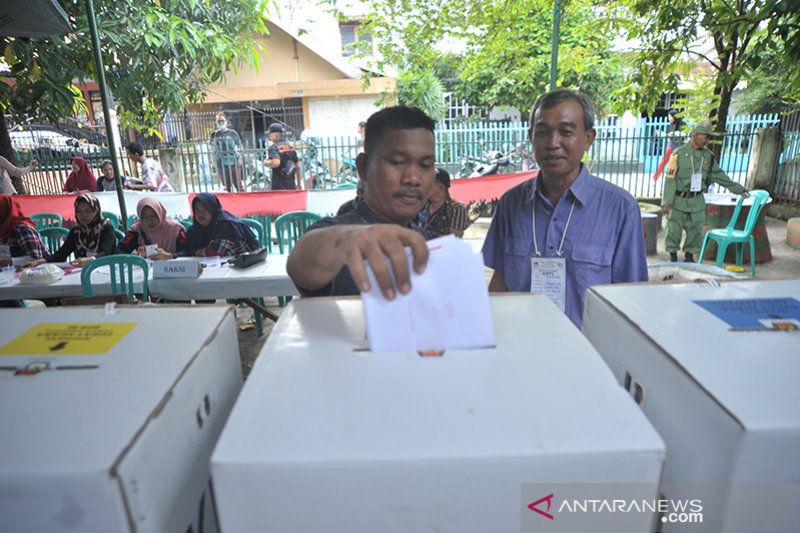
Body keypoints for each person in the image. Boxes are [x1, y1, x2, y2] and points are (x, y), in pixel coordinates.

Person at [482, 89, 648, 328]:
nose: (552, 143)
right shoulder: (510, 204)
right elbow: (500, 282)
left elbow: (631, 298)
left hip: (589, 354)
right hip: (523, 347)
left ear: (588, 138)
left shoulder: (620, 209)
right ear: (531, 136)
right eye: (542, 132)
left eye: (566, 132)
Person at [287, 105, 436, 299]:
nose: (413, 178)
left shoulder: (430, 246)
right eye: (398, 162)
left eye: (425, 165)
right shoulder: (337, 234)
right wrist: (347, 240)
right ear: (364, 167)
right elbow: (301, 265)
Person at [662, 123, 749, 263]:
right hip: (678, 200)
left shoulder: (708, 157)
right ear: (695, 136)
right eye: (705, 136)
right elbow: (670, 179)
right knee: (673, 229)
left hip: (697, 201)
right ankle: (672, 255)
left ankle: (689, 256)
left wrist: (739, 189)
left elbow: (719, 175)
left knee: (696, 231)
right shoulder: (678, 154)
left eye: (709, 137)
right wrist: (667, 201)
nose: (708, 140)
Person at [24, 193, 116, 268]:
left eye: (88, 211)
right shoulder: (76, 232)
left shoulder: (106, 229)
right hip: (82, 272)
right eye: (79, 211)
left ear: (96, 211)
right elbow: (61, 254)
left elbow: (105, 253)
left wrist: (90, 260)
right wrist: (42, 261)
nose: (83, 215)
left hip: (107, 270)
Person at [185, 192, 258, 257]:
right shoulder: (194, 230)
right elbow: (188, 251)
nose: (200, 214)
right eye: (197, 210)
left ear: (212, 209)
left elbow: (214, 252)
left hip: (244, 267)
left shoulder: (225, 224)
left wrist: (198, 253)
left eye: (205, 209)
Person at [116, 197, 187, 260]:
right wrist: (135, 257)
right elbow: (119, 251)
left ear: (159, 213)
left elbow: (187, 252)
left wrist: (169, 256)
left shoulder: (175, 229)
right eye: (145, 217)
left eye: (153, 216)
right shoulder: (137, 230)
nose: (150, 221)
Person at [418, 168, 470, 238]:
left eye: (428, 183)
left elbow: (454, 241)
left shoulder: (456, 209)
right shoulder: (421, 204)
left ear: (441, 187)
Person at [0, 195, 48, 260]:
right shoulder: (3, 230)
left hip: (38, 269)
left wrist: (7, 262)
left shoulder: (23, 229)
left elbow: (35, 259)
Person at [210, 112, 244, 192]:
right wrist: (213, 162)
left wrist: (239, 157)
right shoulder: (214, 135)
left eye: (222, 120)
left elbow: (239, 146)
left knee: (238, 184)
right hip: (221, 162)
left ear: (226, 121)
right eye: (218, 121)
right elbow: (212, 149)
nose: (221, 123)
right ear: (216, 122)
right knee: (226, 186)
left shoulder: (233, 133)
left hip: (233, 161)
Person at [265, 123, 302, 190]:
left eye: (270, 134)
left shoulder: (273, 148)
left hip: (279, 187)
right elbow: (298, 167)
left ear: (275, 135)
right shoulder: (291, 147)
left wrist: (266, 162)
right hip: (291, 185)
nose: (269, 136)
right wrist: (299, 184)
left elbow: (276, 163)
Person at [652, 109, 684, 181]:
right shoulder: (671, 124)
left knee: (678, 164)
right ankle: (655, 178)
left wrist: (675, 133)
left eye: (670, 117)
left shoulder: (683, 124)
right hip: (671, 145)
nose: (669, 119)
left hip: (680, 146)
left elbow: (685, 134)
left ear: (674, 117)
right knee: (663, 161)